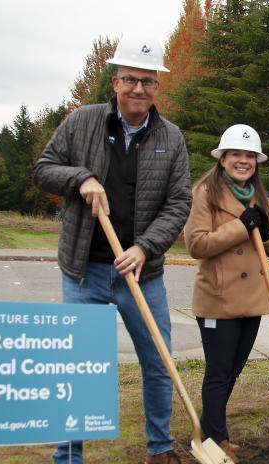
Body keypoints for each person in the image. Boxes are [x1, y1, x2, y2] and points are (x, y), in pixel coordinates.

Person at [33, 34, 190, 464]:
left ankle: (160, 448)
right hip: (84, 270)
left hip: (142, 273)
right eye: (130, 80)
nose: (138, 88)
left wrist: (145, 248)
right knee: (77, 368)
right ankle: (68, 456)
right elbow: (43, 169)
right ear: (115, 82)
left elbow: (179, 203)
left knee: (159, 361)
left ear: (157, 86)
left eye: (147, 81)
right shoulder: (82, 122)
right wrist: (80, 177)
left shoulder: (170, 138)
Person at [183, 125, 269, 462]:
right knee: (218, 372)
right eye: (236, 155)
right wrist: (241, 225)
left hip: (251, 301)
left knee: (233, 370)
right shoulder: (205, 194)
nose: (243, 161)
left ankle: (205, 431)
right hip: (218, 298)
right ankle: (216, 439)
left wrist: (263, 229)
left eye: (249, 156)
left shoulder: (262, 199)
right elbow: (196, 244)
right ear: (223, 158)